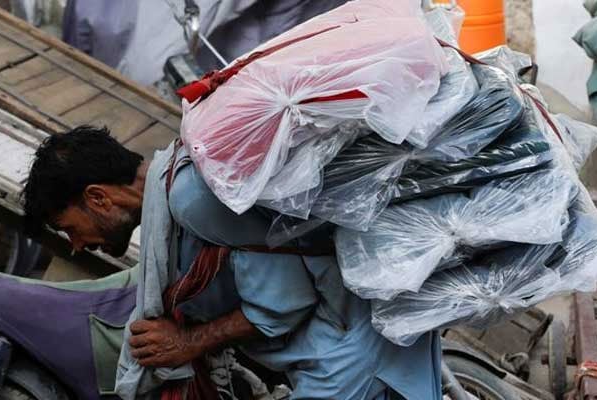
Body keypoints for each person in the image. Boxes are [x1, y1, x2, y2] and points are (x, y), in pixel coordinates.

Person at [22, 125, 442, 400]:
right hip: (339, 346)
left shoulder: (189, 199)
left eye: (68, 227)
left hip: (349, 356)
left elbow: (283, 302)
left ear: (98, 197)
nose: (75, 245)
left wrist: (187, 343)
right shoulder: (175, 188)